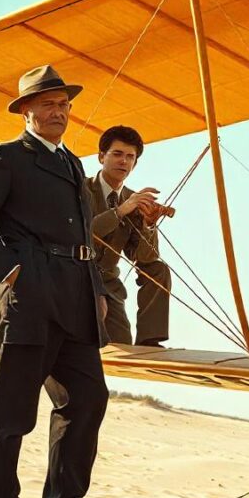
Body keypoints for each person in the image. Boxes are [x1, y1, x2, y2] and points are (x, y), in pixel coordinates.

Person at [0, 64, 124, 498]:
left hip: (75, 301)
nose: (58, 112)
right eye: (47, 104)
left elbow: (81, 237)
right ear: (26, 110)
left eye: (64, 104)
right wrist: (9, 270)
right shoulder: (6, 157)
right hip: (27, 301)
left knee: (87, 399)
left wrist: (97, 294)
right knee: (12, 413)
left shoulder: (71, 163)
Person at [86, 126, 171, 347]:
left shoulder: (134, 200)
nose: (123, 161)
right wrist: (121, 210)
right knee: (87, 346)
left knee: (159, 269)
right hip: (76, 279)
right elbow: (82, 234)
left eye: (130, 157)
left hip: (109, 285)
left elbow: (143, 258)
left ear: (135, 163)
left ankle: (150, 340)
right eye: (117, 154)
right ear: (101, 156)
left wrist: (148, 224)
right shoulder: (80, 189)